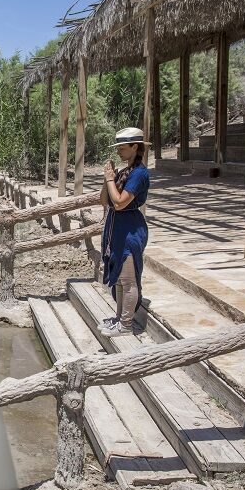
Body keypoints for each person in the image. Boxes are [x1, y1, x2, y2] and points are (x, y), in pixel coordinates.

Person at [98, 127, 150, 337]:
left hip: (129, 229)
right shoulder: (123, 173)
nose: (118, 151)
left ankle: (126, 324)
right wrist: (107, 178)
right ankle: (119, 318)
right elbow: (105, 201)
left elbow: (119, 203)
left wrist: (111, 181)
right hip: (116, 228)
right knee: (119, 277)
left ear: (134, 147)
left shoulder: (139, 174)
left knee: (128, 280)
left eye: (122, 147)